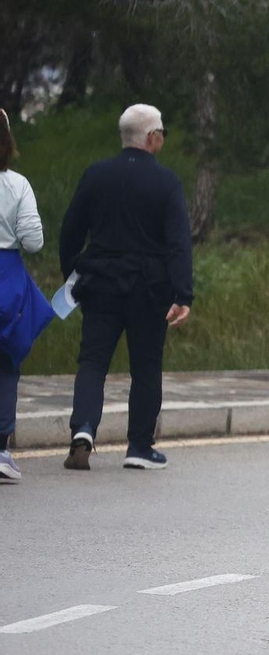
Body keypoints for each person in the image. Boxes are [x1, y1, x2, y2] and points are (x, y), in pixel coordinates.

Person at [58, 104, 193, 472]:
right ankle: (139, 446)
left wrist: (73, 273)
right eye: (161, 133)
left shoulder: (96, 175)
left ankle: (83, 429)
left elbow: (70, 230)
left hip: (100, 284)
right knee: (146, 367)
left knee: (93, 361)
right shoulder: (167, 182)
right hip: (150, 289)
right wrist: (183, 294)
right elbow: (178, 243)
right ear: (152, 137)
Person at [0, 108, 52, 482]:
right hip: (6, 280)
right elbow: (33, 242)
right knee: (6, 365)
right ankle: (1, 450)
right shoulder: (17, 185)